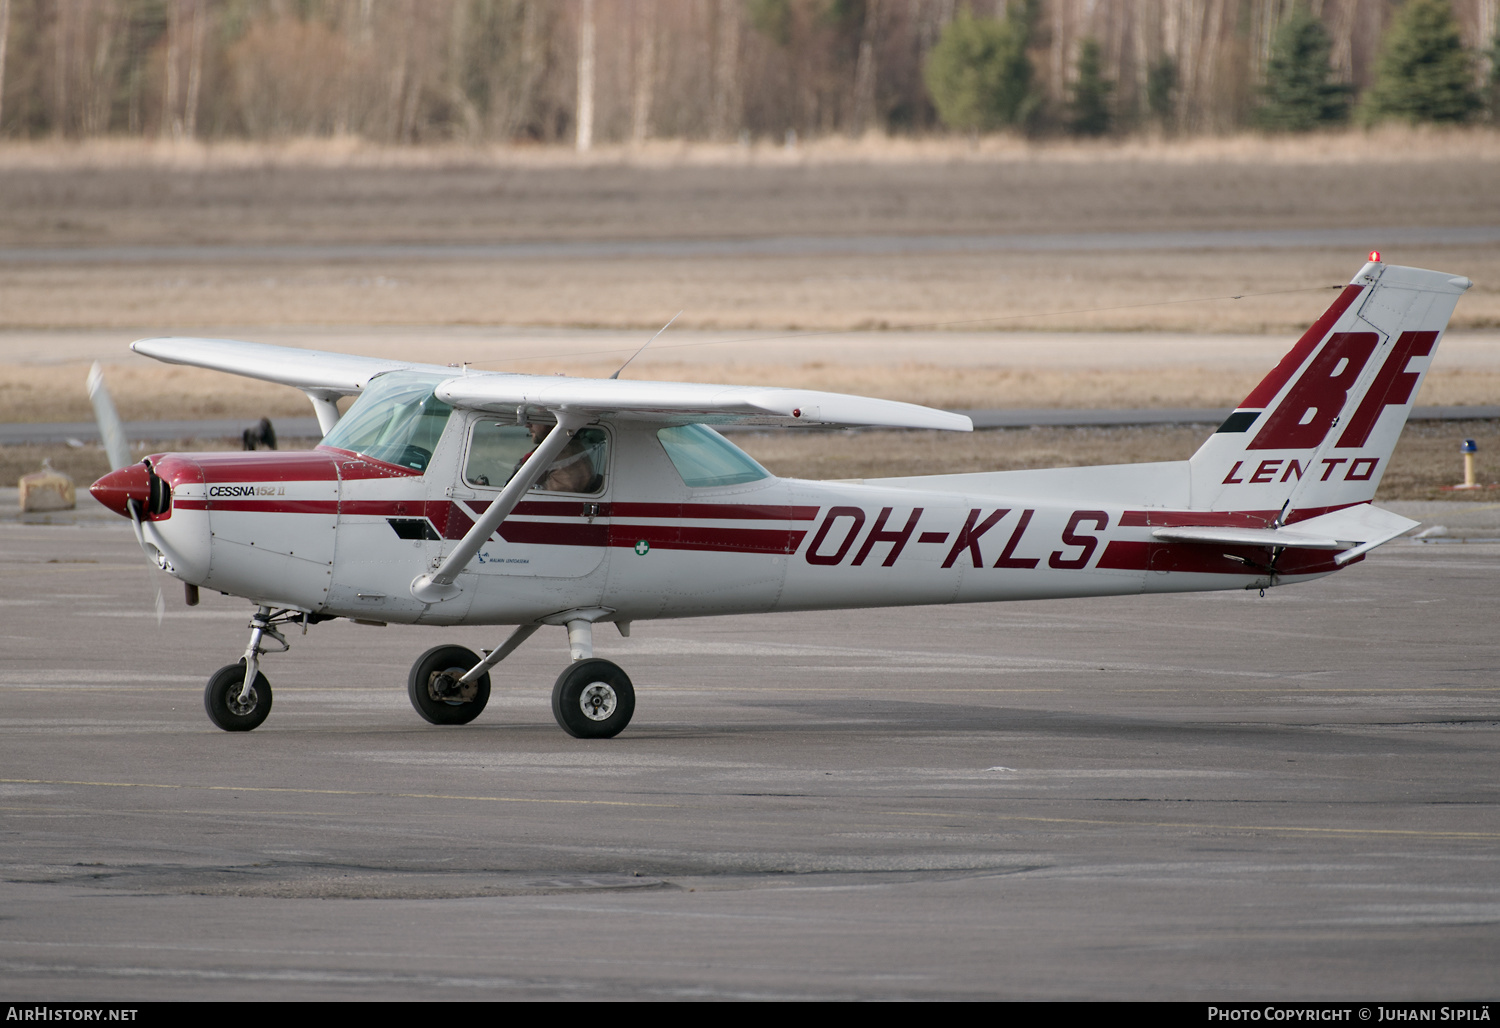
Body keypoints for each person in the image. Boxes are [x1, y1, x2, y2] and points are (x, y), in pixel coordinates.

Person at [519, 422, 595, 492]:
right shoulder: (555, 451)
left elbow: (550, 500)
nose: (527, 425)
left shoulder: (568, 457)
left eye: (536, 420)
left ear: (552, 423)